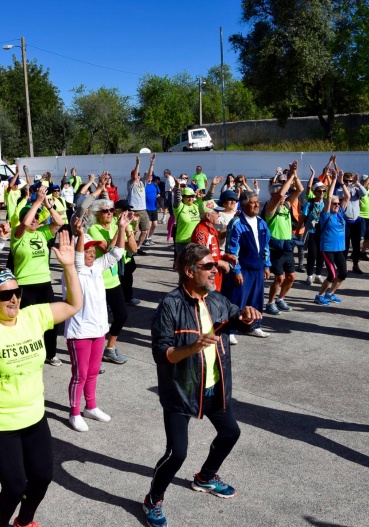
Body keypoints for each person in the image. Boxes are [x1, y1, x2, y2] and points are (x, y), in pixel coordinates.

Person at [0, 231, 81, 527]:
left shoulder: (34, 316)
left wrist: (70, 267)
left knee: (43, 477)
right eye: (5, 294)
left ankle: (25, 521)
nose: (14, 299)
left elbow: (73, 305)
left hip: (34, 416)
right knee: (14, 486)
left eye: (16, 292)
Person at [144, 244, 260, 527]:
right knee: (177, 453)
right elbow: (162, 354)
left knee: (231, 433)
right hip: (181, 392)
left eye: (215, 265)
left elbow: (234, 317)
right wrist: (192, 347)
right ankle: (153, 499)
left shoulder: (217, 300)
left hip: (214, 388)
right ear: (189, 271)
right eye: (209, 266)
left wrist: (246, 317)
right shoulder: (170, 305)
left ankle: (205, 477)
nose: (215, 270)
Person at [65, 215, 129, 432]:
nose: (91, 254)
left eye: (93, 251)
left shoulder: (97, 267)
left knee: (92, 372)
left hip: (99, 329)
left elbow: (117, 253)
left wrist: (121, 228)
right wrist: (81, 234)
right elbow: (77, 258)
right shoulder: (74, 270)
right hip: (79, 332)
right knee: (80, 374)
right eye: (87, 251)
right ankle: (74, 412)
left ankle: (90, 407)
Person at [12, 186, 65, 367]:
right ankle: (28, 353)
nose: (34, 220)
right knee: (26, 322)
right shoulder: (17, 234)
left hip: (44, 283)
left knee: (52, 320)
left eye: (36, 217)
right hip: (25, 284)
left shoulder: (43, 233)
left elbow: (59, 222)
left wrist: (48, 205)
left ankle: (51, 354)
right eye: (31, 216)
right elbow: (25, 224)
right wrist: (35, 203)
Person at [88, 199, 132, 365]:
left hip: (113, 279)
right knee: (98, 320)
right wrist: (120, 229)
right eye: (105, 211)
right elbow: (108, 251)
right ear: (97, 213)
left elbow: (132, 249)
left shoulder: (116, 223)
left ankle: (110, 348)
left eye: (112, 210)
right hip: (99, 281)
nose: (109, 214)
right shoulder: (94, 229)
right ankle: (93, 355)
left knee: (122, 315)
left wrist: (128, 230)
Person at [223, 191, 271, 341]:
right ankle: (230, 330)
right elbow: (232, 249)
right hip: (242, 268)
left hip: (257, 267)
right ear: (244, 205)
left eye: (257, 202)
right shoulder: (236, 223)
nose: (257, 205)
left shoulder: (262, 223)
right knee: (238, 299)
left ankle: (254, 326)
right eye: (253, 202)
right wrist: (236, 270)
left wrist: (267, 265)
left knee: (256, 299)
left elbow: (266, 246)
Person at [263, 162, 304, 315]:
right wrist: (290, 176)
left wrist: (295, 175)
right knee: (279, 278)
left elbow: (300, 190)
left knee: (291, 276)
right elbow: (281, 194)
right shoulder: (269, 208)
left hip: (286, 247)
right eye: (279, 194)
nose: (284, 196)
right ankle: (270, 302)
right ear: (272, 195)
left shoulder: (286, 206)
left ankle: (280, 299)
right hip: (275, 249)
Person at [315, 172, 350, 305]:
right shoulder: (326, 215)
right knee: (332, 274)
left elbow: (347, 196)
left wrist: (342, 182)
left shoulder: (340, 212)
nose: (337, 205)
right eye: (334, 204)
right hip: (327, 247)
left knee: (343, 273)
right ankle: (320, 295)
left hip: (339, 248)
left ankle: (330, 293)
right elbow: (329, 197)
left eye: (338, 203)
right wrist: (334, 180)